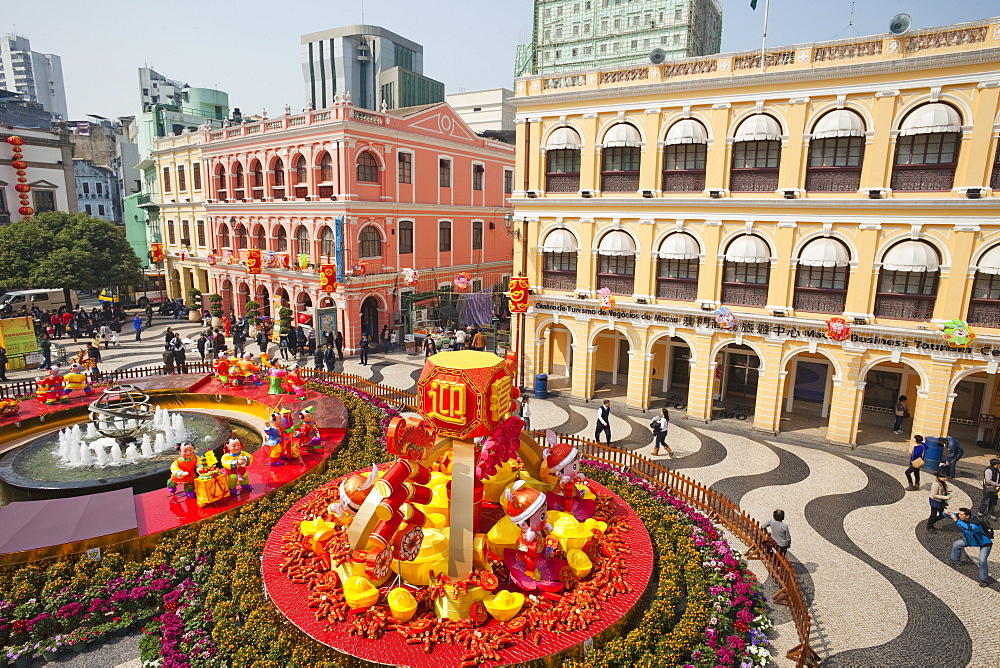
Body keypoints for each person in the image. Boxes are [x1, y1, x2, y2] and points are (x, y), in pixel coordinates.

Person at [948, 507, 993, 587]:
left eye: (961, 514)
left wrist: (957, 520)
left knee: (982, 561)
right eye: (959, 514)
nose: (959, 515)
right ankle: (955, 560)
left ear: (967, 516)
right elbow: (953, 515)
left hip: (984, 543)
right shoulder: (962, 517)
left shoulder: (976, 523)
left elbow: (969, 528)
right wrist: (947, 513)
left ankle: (984, 580)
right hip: (970, 539)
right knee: (956, 544)